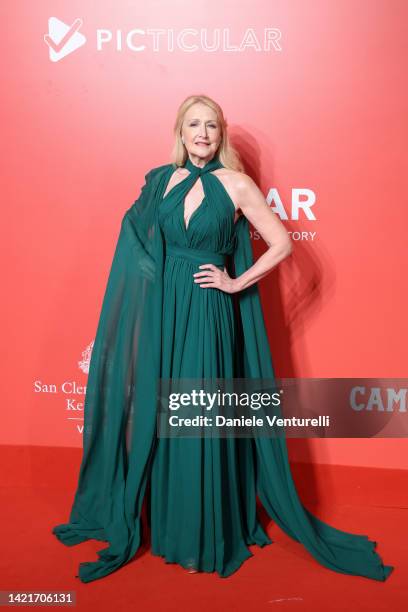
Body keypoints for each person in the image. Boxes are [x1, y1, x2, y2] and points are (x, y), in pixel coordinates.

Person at [52, 94, 393, 583]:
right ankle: (167, 526)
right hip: (162, 313)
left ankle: (203, 531)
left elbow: (280, 244)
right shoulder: (159, 181)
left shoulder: (237, 184)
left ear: (221, 133)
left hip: (210, 311)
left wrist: (235, 282)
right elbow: (135, 239)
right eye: (194, 125)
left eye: (211, 125)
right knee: (161, 412)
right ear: (180, 131)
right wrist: (146, 286)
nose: (202, 134)